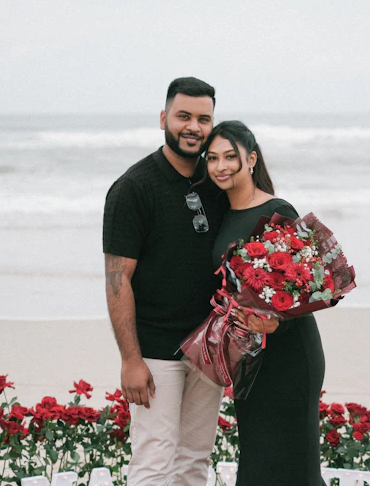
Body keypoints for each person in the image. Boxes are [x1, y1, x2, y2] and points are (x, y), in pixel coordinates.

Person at [102, 77, 228, 485]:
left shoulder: (217, 184)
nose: (193, 127)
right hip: (156, 351)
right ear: (163, 119)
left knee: (194, 462)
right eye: (183, 116)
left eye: (203, 119)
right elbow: (117, 279)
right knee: (153, 461)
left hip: (208, 347)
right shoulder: (134, 188)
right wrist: (130, 359)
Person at [203, 120, 327, 486]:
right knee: (257, 464)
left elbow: (308, 282)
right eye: (212, 159)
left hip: (290, 355)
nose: (221, 166)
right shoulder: (221, 213)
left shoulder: (277, 210)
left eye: (230, 156)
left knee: (297, 467)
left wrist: (277, 321)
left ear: (251, 158)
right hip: (250, 354)